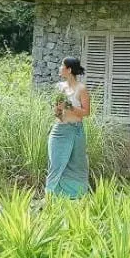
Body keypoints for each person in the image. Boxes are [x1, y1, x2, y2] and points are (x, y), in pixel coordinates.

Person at [46, 57, 92, 199]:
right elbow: (57, 114)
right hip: (59, 130)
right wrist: (59, 110)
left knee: (76, 164)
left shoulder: (81, 89)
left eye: (62, 66)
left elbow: (86, 112)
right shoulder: (59, 87)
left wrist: (70, 107)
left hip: (75, 130)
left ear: (69, 70)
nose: (60, 68)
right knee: (55, 162)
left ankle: (76, 195)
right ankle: (51, 195)